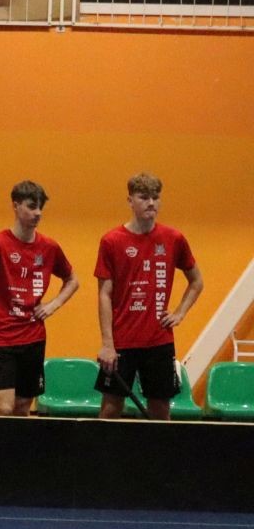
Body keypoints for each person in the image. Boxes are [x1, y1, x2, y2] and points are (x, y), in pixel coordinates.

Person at [0, 180, 78, 417]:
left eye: (40, 207)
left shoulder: (49, 247)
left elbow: (72, 280)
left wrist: (53, 305)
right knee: (4, 408)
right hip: (2, 337)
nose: (38, 213)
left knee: (23, 407)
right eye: (31, 206)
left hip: (33, 337)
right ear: (16, 206)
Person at [96, 172, 203, 421]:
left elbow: (197, 281)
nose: (151, 203)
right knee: (111, 409)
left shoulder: (173, 239)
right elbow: (104, 294)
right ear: (130, 201)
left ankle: (159, 450)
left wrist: (180, 313)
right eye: (144, 197)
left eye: (155, 197)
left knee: (160, 411)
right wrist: (107, 343)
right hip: (122, 341)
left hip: (158, 341)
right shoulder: (111, 241)